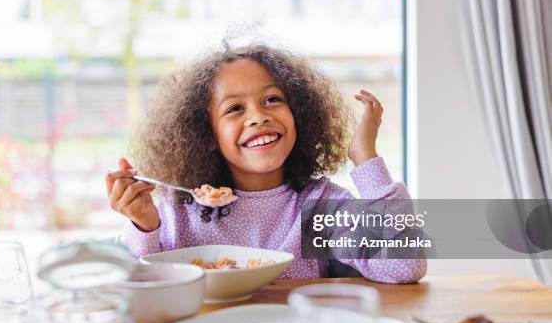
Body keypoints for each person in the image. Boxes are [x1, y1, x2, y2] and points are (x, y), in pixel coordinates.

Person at [106, 44, 426, 283]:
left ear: (299, 113)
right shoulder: (172, 209)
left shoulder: (323, 207)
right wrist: (144, 224)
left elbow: (405, 266)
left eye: (272, 99)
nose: (259, 116)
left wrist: (364, 157)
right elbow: (139, 281)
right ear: (206, 134)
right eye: (234, 109)